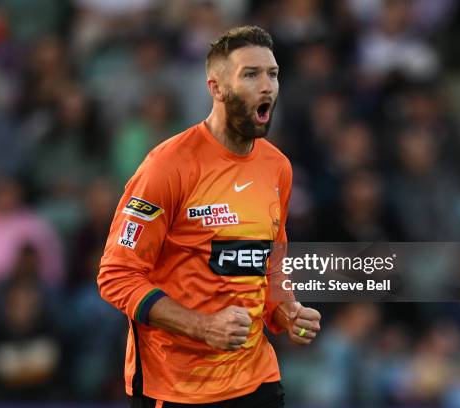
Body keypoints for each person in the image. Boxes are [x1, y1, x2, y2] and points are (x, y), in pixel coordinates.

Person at [98, 26, 322, 407]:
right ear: (216, 89)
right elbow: (116, 276)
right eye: (250, 74)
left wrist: (284, 309)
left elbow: (270, 262)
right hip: (176, 389)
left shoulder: (277, 168)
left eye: (273, 73)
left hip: (256, 379)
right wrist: (201, 325)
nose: (266, 86)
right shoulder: (167, 167)